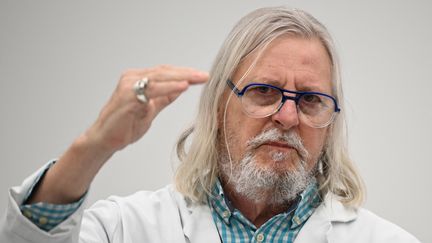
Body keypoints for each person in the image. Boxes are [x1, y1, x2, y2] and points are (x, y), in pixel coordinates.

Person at [0, 6, 420, 243]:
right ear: (220, 106)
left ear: (330, 123)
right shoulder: (126, 229)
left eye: (310, 99)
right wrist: (95, 145)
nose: (288, 116)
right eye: (265, 91)